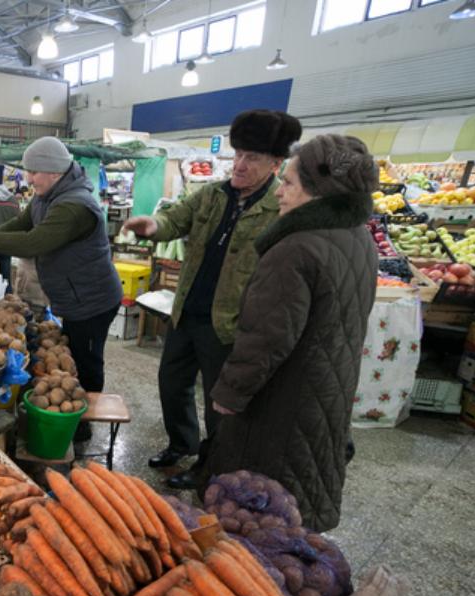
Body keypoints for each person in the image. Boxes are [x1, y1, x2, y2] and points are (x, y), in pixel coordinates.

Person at [205, 134, 379, 532]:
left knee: (259, 507)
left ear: (317, 193)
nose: (279, 193)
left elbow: (266, 336)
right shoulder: (357, 238)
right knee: (299, 501)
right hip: (326, 387)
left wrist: (230, 394)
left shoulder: (295, 249)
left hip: (283, 398)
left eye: (288, 183)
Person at [124, 110, 302, 488]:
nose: (239, 164)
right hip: (187, 311)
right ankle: (180, 443)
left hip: (230, 322)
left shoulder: (278, 209)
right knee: (172, 383)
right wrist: (152, 226)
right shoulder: (212, 194)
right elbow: (175, 220)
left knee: (220, 402)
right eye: (237, 154)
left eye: (251, 157)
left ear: (275, 163)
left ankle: (211, 464)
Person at [0, 137, 122, 440]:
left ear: (55, 172)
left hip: (92, 298)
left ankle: (82, 423)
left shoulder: (75, 206)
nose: (28, 178)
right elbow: (22, 223)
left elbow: (34, 241)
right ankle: (76, 414)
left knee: (87, 360)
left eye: (33, 172)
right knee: (77, 354)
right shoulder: (46, 196)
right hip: (75, 294)